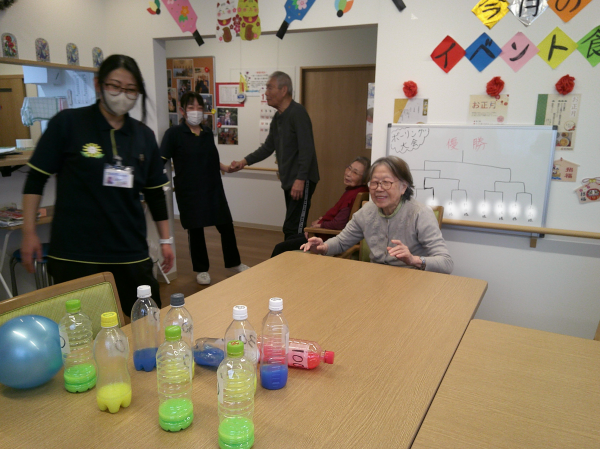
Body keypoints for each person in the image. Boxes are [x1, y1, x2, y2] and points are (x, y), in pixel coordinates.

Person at [20, 54, 174, 316]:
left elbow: (155, 194)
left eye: (131, 89)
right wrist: (28, 231)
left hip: (129, 249)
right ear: (98, 84)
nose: (122, 95)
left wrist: (166, 240)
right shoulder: (68, 124)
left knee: (148, 321)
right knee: (83, 328)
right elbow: (36, 178)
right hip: (75, 253)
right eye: (115, 86)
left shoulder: (143, 136)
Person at [302, 156, 454, 274]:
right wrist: (323, 247)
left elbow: (446, 263)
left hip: (411, 280)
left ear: (403, 187)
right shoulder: (366, 212)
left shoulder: (420, 214)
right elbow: (342, 242)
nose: (379, 188)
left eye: (386, 182)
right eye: (374, 183)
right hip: (376, 279)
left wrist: (413, 260)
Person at [160, 92, 248, 285]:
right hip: (189, 190)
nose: (196, 111)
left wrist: (227, 168)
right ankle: (201, 270)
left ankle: (233, 263)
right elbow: (161, 159)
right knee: (196, 230)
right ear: (182, 110)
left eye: (200, 108)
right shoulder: (173, 134)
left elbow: (212, 158)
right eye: (191, 107)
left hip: (212, 186)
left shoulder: (207, 132)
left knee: (226, 225)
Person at [230, 71, 319, 240]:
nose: (266, 93)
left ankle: (293, 257)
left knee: (294, 228)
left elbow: (307, 149)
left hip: (302, 180)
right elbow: (268, 147)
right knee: (292, 228)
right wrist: (244, 162)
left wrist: (300, 179)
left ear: (283, 90)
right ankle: (291, 256)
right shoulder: (278, 117)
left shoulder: (298, 113)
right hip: (290, 180)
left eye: (270, 88)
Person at [271, 157, 370, 257]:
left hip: (325, 238)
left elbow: (339, 224)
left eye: (355, 173)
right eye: (349, 168)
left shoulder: (353, 195)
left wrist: (319, 226)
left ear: (364, 179)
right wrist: (321, 220)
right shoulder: (357, 191)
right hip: (323, 234)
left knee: (280, 247)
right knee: (290, 239)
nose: (348, 174)